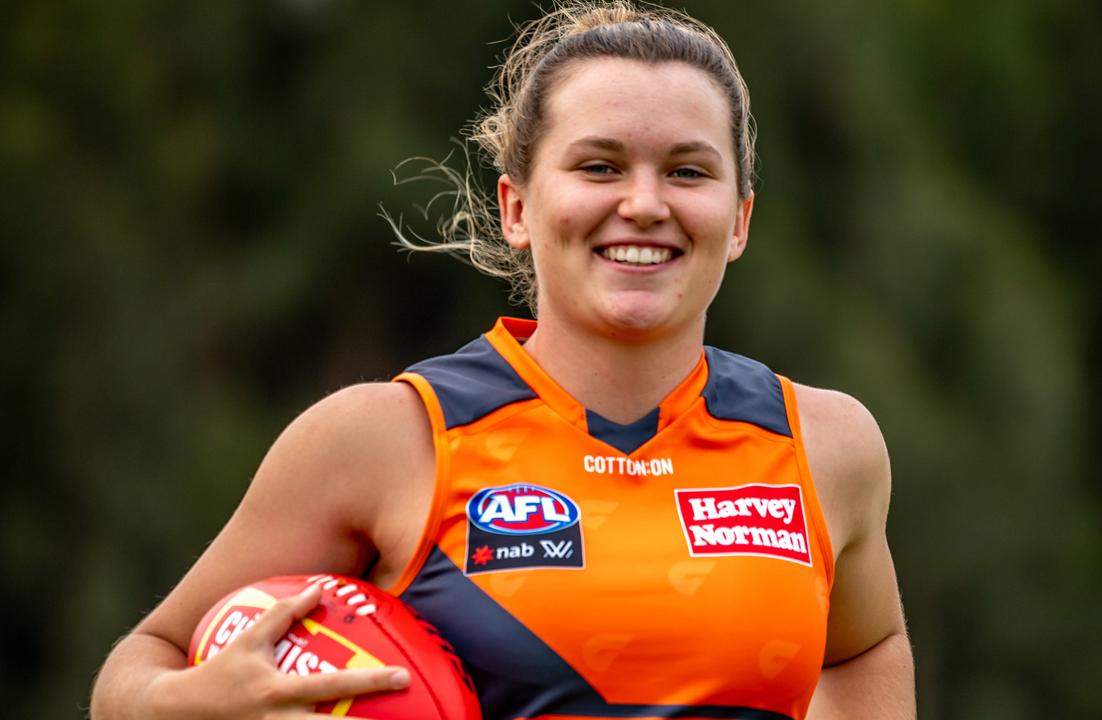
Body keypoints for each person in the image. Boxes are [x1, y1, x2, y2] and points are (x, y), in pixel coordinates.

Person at [90, 2, 915, 718]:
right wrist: (191, 703)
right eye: (599, 166)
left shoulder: (828, 447)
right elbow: (139, 666)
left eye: (687, 171)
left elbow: (865, 649)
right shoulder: (384, 439)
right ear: (517, 207)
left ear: (738, 221)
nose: (644, 203)